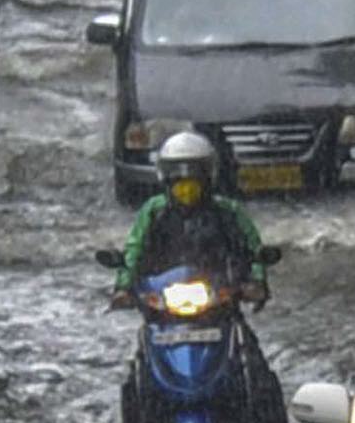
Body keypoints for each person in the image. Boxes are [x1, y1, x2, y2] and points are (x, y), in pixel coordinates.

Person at [116, 127, 271, 302]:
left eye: (195, 171)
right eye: (177, 173)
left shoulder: (228, 211)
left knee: (239, 325)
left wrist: (256, 282)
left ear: (209, 174)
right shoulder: (153, 210)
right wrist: (123, 287)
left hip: (219, 291)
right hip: (163, 293)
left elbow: (253, 250)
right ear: (165, 175)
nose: (186, 181)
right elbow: (134, 250)